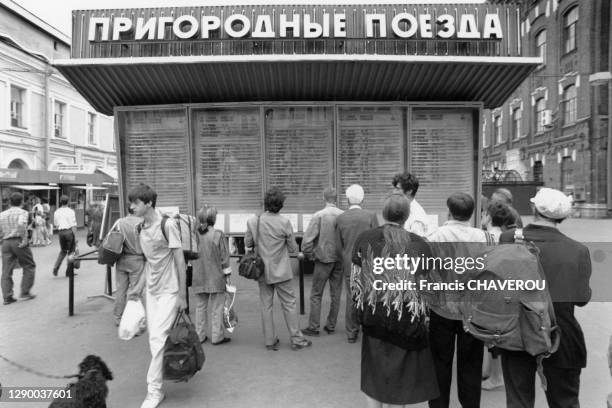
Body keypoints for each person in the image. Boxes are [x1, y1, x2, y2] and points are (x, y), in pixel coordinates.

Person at [499, 187, 591, 408]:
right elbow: (582, 298)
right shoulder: (578, 250)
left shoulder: (509, 239)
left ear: (533, 208)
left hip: (516, 331)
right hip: (560, 334)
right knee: (565, 401)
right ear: (564, 216)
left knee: (518, 401)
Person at [351, 192, 439, 407]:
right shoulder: (420, 245)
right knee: (402, 379)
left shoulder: (365, 238)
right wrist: (424, 318)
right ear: (407, 216)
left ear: (383, 213)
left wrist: (359, 312)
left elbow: (355, 282)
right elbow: (426, 289)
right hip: (407, 320)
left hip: (374, 315)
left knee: (373, 374)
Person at [426, 192, 492, 408]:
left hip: (441, 309)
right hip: (474, 312)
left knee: (439, 363)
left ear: (449, 210)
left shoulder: (434, 237)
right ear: (472, 213)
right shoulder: (486, 238)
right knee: (471, 364)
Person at [128, 183, 187, 408]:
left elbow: (180, 261)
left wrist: (182, 295)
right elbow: (148, 263)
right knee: (156, 341)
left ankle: (153, 391)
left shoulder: (168, 225)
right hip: (151, 292)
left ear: (149, 203)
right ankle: (161, 384)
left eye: (136, 203)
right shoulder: (139, 229)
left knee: (157, 339)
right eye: (131, 203)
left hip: (170, 290)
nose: (132, 206)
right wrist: (138, 288)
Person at [245, 187, 311, 351]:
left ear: (265, 203)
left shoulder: (254, 221)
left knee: (266, 305)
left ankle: (269, 340)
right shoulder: (284, 222)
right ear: (281, 205)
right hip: (281, 271)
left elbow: (247, 243)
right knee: (289, 304)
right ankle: (296, 338)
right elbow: (293, 249)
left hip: (261, 271)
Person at [335, 184, 379, 343]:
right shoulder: (370, 216)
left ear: (347, 200)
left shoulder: (340, 218)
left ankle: (351, 332)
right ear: (363, 199)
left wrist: (345, 256)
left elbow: (338, 245)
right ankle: (368, 327)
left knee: (351, 296)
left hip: (349, 262)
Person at [301, 187, 344, 337]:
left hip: (323, 259)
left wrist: (310, 255)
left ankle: (314, 327)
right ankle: (331, 325)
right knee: (336, 293)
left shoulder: (319, 215)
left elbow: (307, 241)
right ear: (336, 198)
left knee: (316, 294)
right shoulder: (343, 215)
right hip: (339, 259)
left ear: (323, 198)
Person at [192, 205, 232, 345]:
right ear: (213, 219)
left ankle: (200, 335)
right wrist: (227, 275)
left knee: (200, 307)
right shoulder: (218, 234)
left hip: (198, 275)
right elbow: (224, 258)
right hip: (216, 276)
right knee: (217, 308)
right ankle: (217, 336)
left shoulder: (194, 234)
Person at [0, 192, 36, 305]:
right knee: (29, 265)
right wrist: (25, 239)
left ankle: (7, 296)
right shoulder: (23, 212)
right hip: (18, 241)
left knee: (6, 270)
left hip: (5, 242)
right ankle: (25, 291)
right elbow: (21, 225)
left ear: (10, 202)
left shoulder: (2, 214)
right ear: (22, 201)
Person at [112, 208, 146, 326]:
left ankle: (118, 318)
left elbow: (110, 238)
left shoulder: (120, 222)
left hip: (121, 259)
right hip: (137, 259)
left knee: (120, 290)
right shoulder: (142, 222)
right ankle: (132, 319)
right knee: (135, 290)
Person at [392, 171, 430, 236]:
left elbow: (416, 244)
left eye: (397, 189)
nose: (394, 192)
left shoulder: (416, 218)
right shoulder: (403, 209)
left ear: (409, 191)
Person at [52, 195, 77, 277]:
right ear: (68, 202)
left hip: (61, 232)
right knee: (71, 252)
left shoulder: (57, 212)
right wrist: (75, 237)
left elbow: (56, 224)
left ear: (60, 201)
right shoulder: (71, 211)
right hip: (69, 232)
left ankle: (56, 267)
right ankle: (69, 272)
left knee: (63, 251)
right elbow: (73, 225)